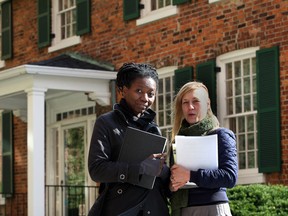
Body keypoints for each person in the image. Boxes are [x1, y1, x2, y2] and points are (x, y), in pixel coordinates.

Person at [88, 62, 170, 216]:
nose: (145, 98)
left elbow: (160, 176)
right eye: (139, 91)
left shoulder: (154, 128)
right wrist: (139, 168)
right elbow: (97, 170)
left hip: (155, 208)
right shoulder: (106, 122)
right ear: (123, 90)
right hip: (123, 208)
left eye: (151, 93)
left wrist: (163, 171)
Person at [169, 81, 238, 216]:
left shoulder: (221, 135)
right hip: (182, 209)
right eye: (185, 102)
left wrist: (190, 175)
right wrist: (172, 185)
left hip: (212, 208)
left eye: (196, 101)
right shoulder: (177, 141)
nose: (190, 107)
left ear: (207, 104)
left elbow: (230, 176)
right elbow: (173, 182)